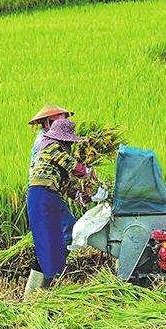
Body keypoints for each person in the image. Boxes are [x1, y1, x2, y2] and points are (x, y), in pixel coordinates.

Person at [26, 118, 97, 291]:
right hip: (43, 195)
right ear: (64, 140)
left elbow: (66, 186)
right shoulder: (52, 148)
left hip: (43, 196)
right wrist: (89, 172)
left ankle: (38, 289)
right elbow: (73, 166)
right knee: (68, 232)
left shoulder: (54, 158)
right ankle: (40, 286)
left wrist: (82, 196)